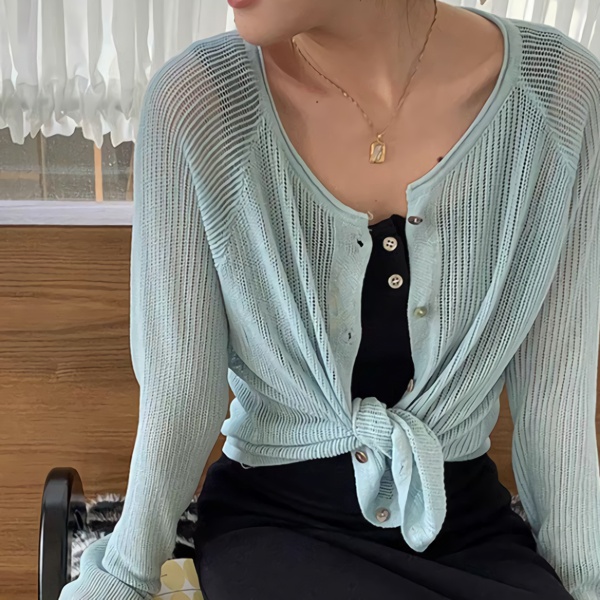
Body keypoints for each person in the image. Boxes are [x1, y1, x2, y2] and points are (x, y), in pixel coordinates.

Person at [60, 1, 600, 599]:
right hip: (277, 530)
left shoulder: (559, 94)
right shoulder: (200, 102)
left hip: (471, 532)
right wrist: (125, 577)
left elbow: (557, 405)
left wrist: (584, 584)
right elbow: (180, 395)